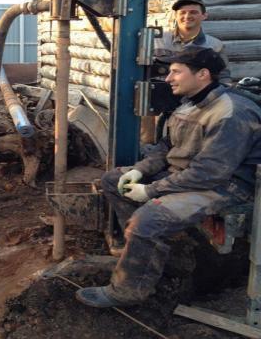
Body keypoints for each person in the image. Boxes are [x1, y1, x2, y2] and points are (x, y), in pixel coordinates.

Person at [76, 47, 261, 308]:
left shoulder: (232, 113)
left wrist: (150, 191)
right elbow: (166, 147)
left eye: (176, 72)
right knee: (112, 180)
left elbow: (209, 173)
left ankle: (129, 291)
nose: (168, 78)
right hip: (189, 176)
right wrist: (139, 171)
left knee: (147, 219)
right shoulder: (189, 103)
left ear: (203, 75)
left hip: (224, 186)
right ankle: (142, 249)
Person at [154, 0, 231, 84]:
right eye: (182, 12)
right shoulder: (157, 40)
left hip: (196, 96)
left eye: (193, 12)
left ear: (204, 16)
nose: (187, 16)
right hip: (158, 93)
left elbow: (223, 77)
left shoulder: (215, 45)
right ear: (175, 15)